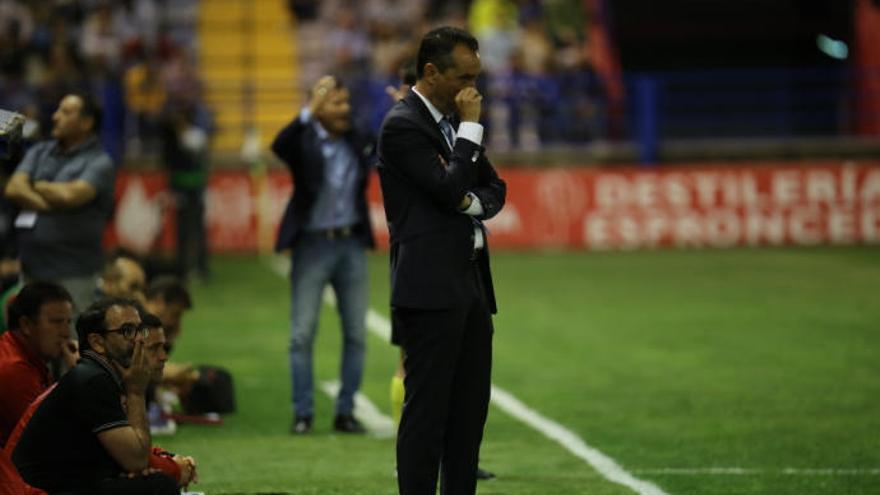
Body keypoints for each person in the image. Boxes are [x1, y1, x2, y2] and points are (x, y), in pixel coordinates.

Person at [377, 26, 506, 495]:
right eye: (462, 78)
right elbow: (448, 186)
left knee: (469, 415)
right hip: (429, 288)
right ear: (431, 72)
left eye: (477, 77)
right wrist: (471, 130)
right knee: (426, 417)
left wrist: (469, 204)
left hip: (471, 283)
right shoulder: (404, 125)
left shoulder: (450, 121)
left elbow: (495, 190)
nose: (472, 91)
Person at [271, 74, 375, 435]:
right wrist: (308, 112)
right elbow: (279, 146)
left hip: (351, 243)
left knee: (356, 334)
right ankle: (303, 413)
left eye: (346, 102)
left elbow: (388, 141)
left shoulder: (358, 138)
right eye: (335, 103)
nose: (343, 110)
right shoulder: (303, 142)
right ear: (318, 108)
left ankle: (345, 412)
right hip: (312, 244)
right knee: (301, 334)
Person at [12, 297, 178, 495]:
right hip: (39, 491)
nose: (140, 339)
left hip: (66, 484)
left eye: (140, 330)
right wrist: (136, 392)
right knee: (159, 487)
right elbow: (136, 461)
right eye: (127, 331)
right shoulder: (93, 380)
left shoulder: (97, 374)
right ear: (98, 343)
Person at [3, 92, 116, 315]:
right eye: (57, 110)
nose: (55, 117)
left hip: (75, 275)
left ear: (87, 122)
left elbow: (71, 196)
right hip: (31, 270)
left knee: (73, 341)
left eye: (65, 112)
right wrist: (50, 202)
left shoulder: (100, 162)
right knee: (29, 343)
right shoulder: (40, 151)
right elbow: (13, 189)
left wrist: (34, 184)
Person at [0, 282, 75, 448]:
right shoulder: (14, 369)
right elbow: (54, 438)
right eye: (56, 322)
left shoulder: (27, 356)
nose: (66, 333)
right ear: (26, 325)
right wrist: (78, 376)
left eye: (68, 322)